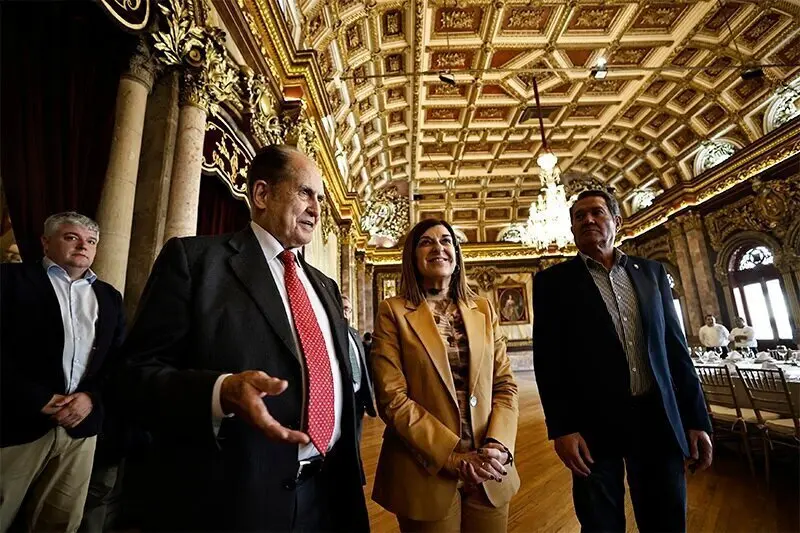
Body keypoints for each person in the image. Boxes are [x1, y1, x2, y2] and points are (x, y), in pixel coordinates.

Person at [120, 145, 369, 532]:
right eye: (305, 192)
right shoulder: (195, 261)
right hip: (235, 500)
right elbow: (135, 377)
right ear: (262, 195)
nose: (317, 209)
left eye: (320, 198)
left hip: (328, 494)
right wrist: (220, 391)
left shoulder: (326, 286)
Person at [532, 190, 713, 533]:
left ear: (616, 222)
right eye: (579, 216)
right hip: (591, 423)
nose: (588, 220)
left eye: (597, 213)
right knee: (601, 523)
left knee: (666, 518)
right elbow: (548, 362)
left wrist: (696, 419)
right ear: (572, 229)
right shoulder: (552, 283)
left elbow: (676, 352)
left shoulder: (653, 274)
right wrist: (562, 428)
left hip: (657, 417)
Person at [371, 218, 520, 532]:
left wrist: (498, 445)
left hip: (489, 469)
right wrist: (452, 457)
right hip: (425, 468)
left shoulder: (484, 309)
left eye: (446, 240)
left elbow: (505, 385)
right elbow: (393, 398)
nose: (438, 247)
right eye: (426, 242)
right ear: (412, 256)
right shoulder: (393, 311)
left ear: (456, 253)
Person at [0, 212, 126, 533]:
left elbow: (117, 361)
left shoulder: (109, 298)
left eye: (92, 241)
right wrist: (36, 398)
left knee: (59, 523)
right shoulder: (10, 280)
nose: (83, 246)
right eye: (72, 237)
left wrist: (91, 398)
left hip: (81, 430)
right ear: (46, 242)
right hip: (17, 422)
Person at [341, 295, 377, 446]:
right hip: (342, 399)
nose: (344, 312)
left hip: (358, 399)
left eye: (347, 309)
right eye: (341, 308)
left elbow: (363, 365)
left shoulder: (355, 334)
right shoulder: (328, 334)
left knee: (356, 441)